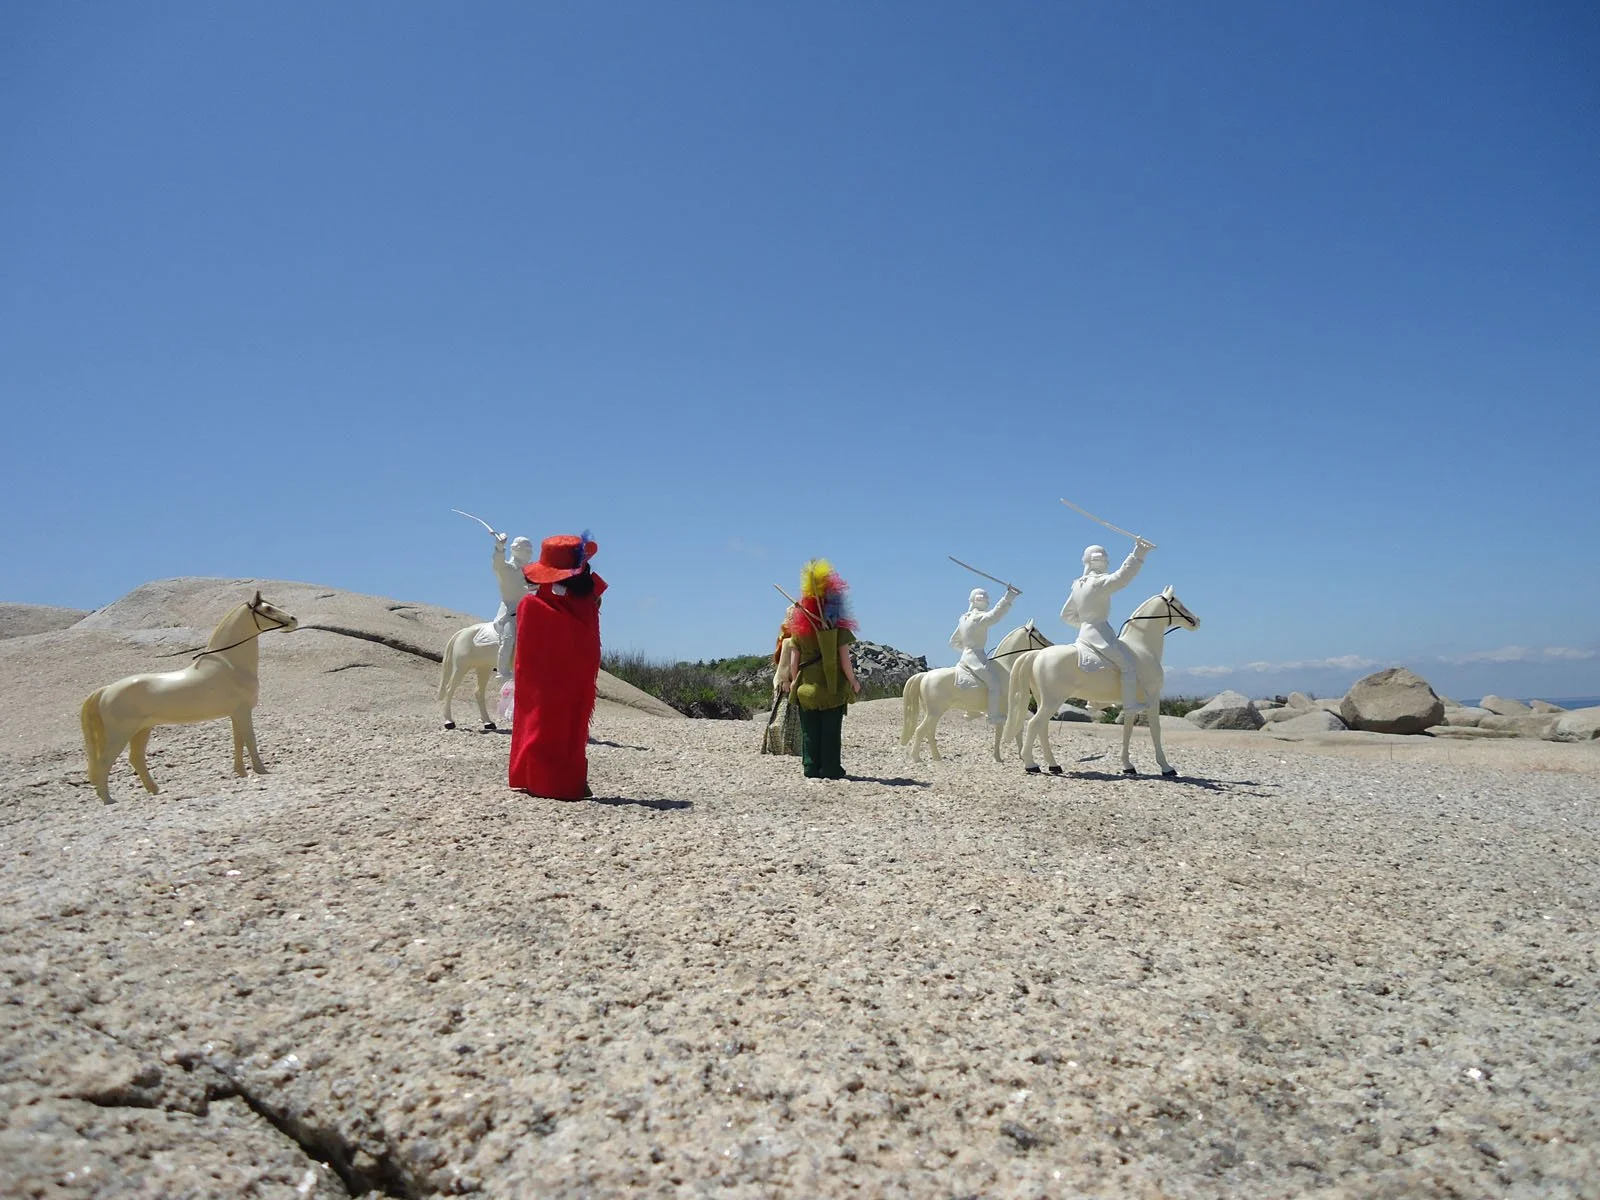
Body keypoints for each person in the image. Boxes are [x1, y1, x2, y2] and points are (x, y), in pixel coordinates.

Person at [509, 533, 606, 800]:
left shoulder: (533, 604)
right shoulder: (585, 604)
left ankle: (537, 778)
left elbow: (528, 654)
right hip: (574, 679)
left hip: (541, 681)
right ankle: (565, 780)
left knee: (539, 721)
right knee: (568, 725)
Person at [781, 560, 862, 779]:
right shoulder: (839, 630)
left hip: (806, 690)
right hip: (832, 691)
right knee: (830, 732)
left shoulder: (800, 633)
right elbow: (845, 662)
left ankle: (810, 767)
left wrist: (794, 683)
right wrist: (853, 682)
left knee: (809, 731)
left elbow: (794, 663)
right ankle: (831, 768)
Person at [1061, 536, 1154, 715]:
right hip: (1099, 633)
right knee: (1128, 666)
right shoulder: (1099, 583)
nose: (1106, 562)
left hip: (1083, 635)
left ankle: (1095, 701)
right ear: (1099, 561)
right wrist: (1138, 553)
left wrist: (1085, 624)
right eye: (1104, 559)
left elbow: (1066, 615)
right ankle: (1130, 705)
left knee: (1100, 665)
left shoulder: (1078, 585)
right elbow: (1123, 576)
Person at [949, 584, 1020, 724]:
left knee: (978, 683)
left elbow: (953, 642)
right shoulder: (978, 618)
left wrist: (966, 650)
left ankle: (972, 710)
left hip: (964, 658)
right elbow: (995, 615)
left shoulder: (964, 618)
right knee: (994, 684)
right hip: (976, 658)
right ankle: (993, 716)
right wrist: (1008, 597)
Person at [491, 534, 535, 679]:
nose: (530, 553)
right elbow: (497, 564)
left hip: (527, 611)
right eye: (527, 550)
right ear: (516, 549)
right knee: (508, 639)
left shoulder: (530, 572)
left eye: (531, 551)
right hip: (510, 611)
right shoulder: (506, 569)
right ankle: (502, 671)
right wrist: (500, 547)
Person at [761, 608, 802, 756]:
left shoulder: (790, 640)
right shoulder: (789, 641)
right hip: (786, 683)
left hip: (789, 682)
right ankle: (782, 746)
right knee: (783, 714)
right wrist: (786, 680)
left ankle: (785, 746)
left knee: (786, 714)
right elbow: (784, 664)